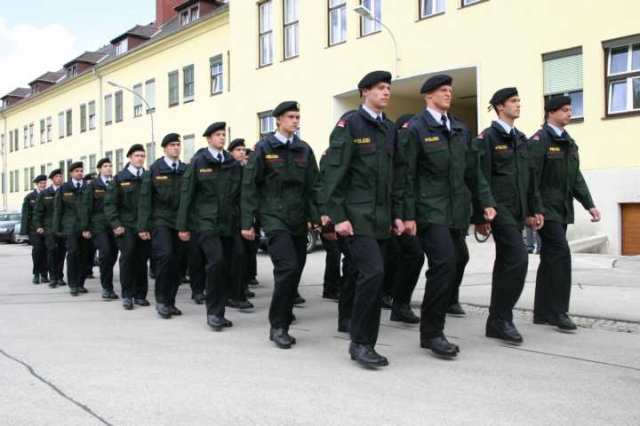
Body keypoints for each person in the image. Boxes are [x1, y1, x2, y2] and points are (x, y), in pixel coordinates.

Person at [401, 74, 496, 359]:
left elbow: (473, 172)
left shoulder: (459, 129)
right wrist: (407, 214)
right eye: (443, 90)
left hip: (456, 211)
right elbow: (406, 176)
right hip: (429, 210)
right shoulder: (416, 129)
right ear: (428, 95)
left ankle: (432, 329)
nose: (448, 94)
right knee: (443, 264)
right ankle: (432, 334)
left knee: (453, 265)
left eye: (450, 91)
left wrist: (484, 204)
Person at [324, 71, 404, 367]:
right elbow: (335, 173)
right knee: (373, 273)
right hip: (355, 218)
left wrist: (397, 214)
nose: (386, 93)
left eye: (388, 88)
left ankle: (364, 338)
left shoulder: (390, 129)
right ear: (364, 92)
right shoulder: (350, 124)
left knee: (370, 276)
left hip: (381, 218)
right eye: (380, 88)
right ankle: (360, 343)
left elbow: (395, 178)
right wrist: (338, 216)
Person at [241, 101, 324, 349]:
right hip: (274, 217)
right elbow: (250, 186)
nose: (295, 121)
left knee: (296, 269)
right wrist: (248, 222)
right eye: (291, 117)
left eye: (298, 117)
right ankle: (278, 326)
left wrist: (321, 217)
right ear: (278, 120)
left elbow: (314, 187)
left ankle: (285, 311)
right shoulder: (264, 148)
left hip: (298, 219)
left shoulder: (304, 149)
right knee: (287, 267)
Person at [473, 87, 544, 343]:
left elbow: (530, 178)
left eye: (518, 100)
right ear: (500, 106)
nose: (518, 105)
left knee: (507, 262)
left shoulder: (521, 138)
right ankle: (502, 318)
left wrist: (533, 209)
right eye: (513, 101)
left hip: (517, 211)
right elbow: (479, 176)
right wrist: (481, 214)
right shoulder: (487, 138)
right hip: (498, 210)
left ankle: (496, 320)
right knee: (517, 259)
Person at [529, 96, 601, 331]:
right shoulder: (539, 141)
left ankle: (541, 312)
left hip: (562, 209)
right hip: (546, 210)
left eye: (571, 109)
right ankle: (559, 312)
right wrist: (535, 208)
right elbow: (532, 179)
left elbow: (575, 177)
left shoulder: (569, 142)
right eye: (565, 110)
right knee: (561, 254)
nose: (570, 113)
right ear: (551, 113)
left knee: (550, 258)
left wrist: (588, 204)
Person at [177, 122, 243, 330]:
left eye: (224, 134)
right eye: (218, 135)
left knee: (225, 267)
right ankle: (213, 312)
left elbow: (240, 194)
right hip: (205, 222)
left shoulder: (232, 163)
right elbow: (187, 195)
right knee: (216, 263)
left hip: (228, 222)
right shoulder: (198, 162)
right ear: (208, 139)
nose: (222, 138)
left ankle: (220, 311)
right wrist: (183, 226)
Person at [138, 133, 188, 319]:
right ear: (165, 148)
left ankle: (171, 301)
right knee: (165, 256)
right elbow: (145, 200)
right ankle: (161, 300)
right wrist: (143, 227)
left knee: (177, 261)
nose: (176, 148)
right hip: (160, 220)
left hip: (180, 221)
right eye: (173, 145)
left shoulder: (185, 169)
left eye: (178, 144)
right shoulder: (155, 170)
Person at [105, 144, 151, 310]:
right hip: (126, 226)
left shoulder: (148, 176)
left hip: (144, 226)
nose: (140, 158)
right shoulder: (120, 178)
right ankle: (127, 295)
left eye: (142, 156)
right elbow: (110, 203)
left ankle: (140, 295)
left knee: (142, 259)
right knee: (128, 257)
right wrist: (116, 224)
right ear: (130, 158)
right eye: (137, 155)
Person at [81, 158, 119, 300]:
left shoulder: (115, 183)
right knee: (105, 252)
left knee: (114, 253)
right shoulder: (93, 185)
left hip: (114, 224)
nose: (108, 168)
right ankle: (107, 288)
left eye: (110, 166)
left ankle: (106, 274)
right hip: (98, 224)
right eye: (105, 166)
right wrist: (85, 227)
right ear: (99, 169)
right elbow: (86, 207)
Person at [226, 137, 255, 311]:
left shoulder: (246, 169)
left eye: (244, 150)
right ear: (231, 153)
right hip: (228, 219)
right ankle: (232, 292)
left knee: (243, 254)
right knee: (233, 255)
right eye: (238, 150)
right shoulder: (228, 168)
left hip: (242, 217)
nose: (242, 153)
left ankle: (240, 288)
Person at [53, 162, 90, 296]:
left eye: (81, 171)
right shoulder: (64, 188)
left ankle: (80, 283)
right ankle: (73, 284)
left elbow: (91, 208)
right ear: (71, 173)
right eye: (77, 171)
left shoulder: (87, 187)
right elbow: (58, 209)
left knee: (84, 255)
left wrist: (89, 227)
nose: (80, 173)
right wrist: (57, 228)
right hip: (70, 227)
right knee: (73, 254)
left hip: (85, 228)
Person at [33, 169, 66, 288]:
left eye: (61, 177)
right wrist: (39, 226)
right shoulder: (45, 193)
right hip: (49, 227)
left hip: (62, 227)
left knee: (62, 252)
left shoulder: (65, 191)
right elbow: (38, 212)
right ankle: (52, 277)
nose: (59, 179)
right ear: (52, 179)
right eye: (57, 177)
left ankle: (60, 276)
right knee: (52, 251)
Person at [21, 174, 49, 285]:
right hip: (34, 229)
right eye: (41, 183)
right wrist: (24, 231)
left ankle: (44, 274)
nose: (43, 185)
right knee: (37, 250)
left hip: (47, 227)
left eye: (44, 183)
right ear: (37, 184)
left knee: (47, 251)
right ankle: (36, 273)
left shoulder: (49, 194)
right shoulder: (30, 197)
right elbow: (25, 214)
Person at [83, 173, 97, 280]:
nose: (90, 184)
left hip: (95, 224)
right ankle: (85, 269)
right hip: (85, 225)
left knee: (92, 249)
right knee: (85, 249)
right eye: (88, 182)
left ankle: (89, 269)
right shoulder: (83, 191)